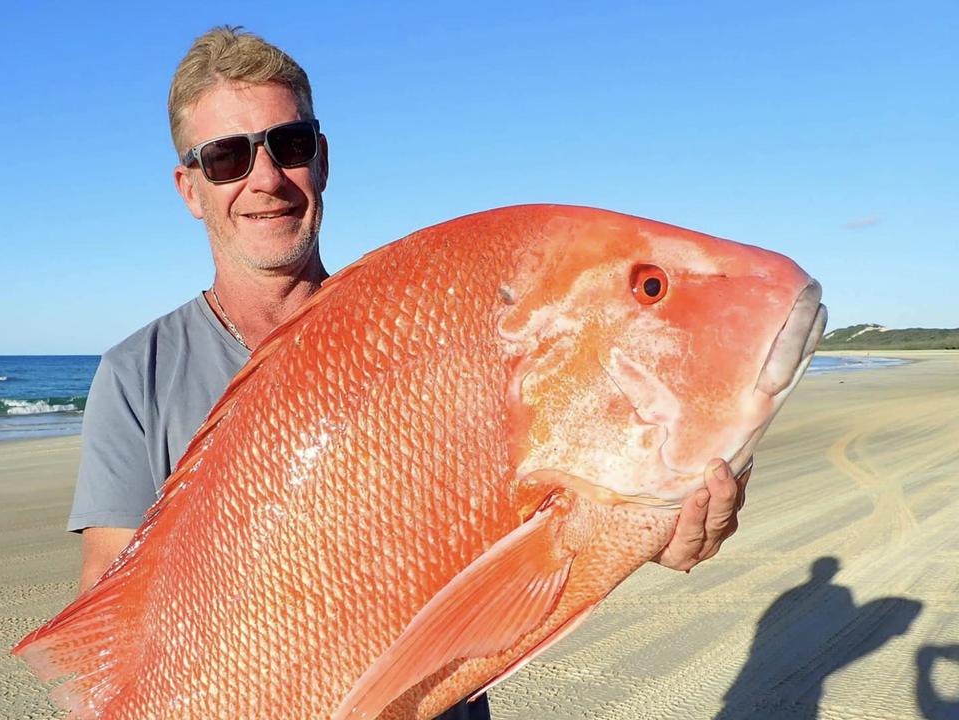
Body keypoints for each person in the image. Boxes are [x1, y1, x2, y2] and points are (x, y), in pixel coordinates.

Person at [67, 25, 749, 720]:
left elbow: (546, 524)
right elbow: (108, 617)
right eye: (226, 157)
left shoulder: (430, 330)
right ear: (189, 188)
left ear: (322, 159)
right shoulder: (136, 375)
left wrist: (650, 528)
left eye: (289, 145)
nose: (266, 178)